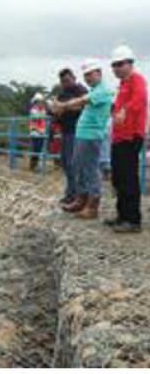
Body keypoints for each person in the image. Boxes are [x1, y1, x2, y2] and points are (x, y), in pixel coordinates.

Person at [51, 59, 114, 219]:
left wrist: (61, 105)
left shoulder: (103, 90)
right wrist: (63, 107)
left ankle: (92, 205)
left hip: (92, 135)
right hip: (83, 134)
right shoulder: (94, 90)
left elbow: (81, 101)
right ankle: (81, 198)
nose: (88, 78)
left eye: (90, 74)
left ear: (99, 73)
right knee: (78, 166)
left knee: (90, 169)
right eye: (85, 75)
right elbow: (80, 105)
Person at [105, 45, 147, 233]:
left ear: (130, 64)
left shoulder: (137, 79)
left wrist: (125, 110)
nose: (116, 68)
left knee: (128, 178)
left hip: (131, 136)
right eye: (114, 65)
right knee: (119, 178)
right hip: (119, 138)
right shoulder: (121, 85)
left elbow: (140, 99)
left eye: (120, 64)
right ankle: (122, 215)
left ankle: (132, 219)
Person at [52, 68, 89, 204]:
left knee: (74, 164)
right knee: (65, 163)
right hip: (65, 131)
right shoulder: (62, 93)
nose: (65, 83)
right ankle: (71, 192)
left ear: (74, 78)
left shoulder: (81, 90)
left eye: (67, 80)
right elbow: (56, 110)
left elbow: (84, 106)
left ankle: (76, 195)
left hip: (78, 131)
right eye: (62, 81)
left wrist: (63, 107)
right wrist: (57, 109)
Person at [28, 93, 48, 170]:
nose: (41, 103)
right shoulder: (33, 110)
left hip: (42, 132)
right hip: (35, 132)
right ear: (35, 102)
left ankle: (35, 165)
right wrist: (38, 130)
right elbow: (34, 122)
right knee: (36, 148)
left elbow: (44, 121)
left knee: (40, 149)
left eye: (42, 102)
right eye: (39, 102)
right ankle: (33, 164)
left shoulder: (43, 110)